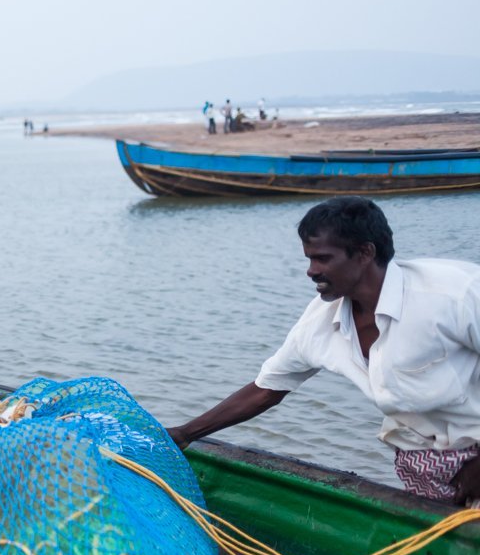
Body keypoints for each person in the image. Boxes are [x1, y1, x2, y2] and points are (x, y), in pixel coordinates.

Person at [167, 196, 480, 507]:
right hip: (428, 463)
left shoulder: (455, 295)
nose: (311, 271)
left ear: (364, 253)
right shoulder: (321, 321)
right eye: (309, 259)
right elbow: (267, 389)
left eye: (322, 259)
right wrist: (185, 433)